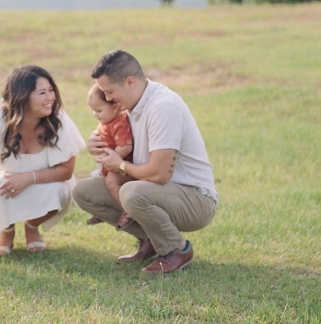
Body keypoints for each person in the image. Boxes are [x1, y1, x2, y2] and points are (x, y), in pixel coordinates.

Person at [73, 50, 218, 275]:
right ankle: (151, 239)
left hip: (195, 199)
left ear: (130, 82)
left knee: (132, 193)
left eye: (110, 92)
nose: (108, 99)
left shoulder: (163, 107)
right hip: (156, 190)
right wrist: (97, 145)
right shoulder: (129, 106)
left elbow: (160, 175)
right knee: (83, 191)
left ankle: (176, 249)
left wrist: (119, 166)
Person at [0, 65, 86, 256]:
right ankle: (6, 230)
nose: (50, 98)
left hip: (43, 180)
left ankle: (32, 226)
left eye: (51, 91)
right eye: (41, 93)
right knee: (1, 185)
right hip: (3, 180)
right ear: (22, 96)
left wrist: (28, 178)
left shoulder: (59, 120)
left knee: (62, 191)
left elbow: (66, 171)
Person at [85, 84, 133, 228]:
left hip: (123, 165)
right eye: (93, 110)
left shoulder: (120, 123)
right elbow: (99, 133)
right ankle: (104, 212)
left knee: (111, 183)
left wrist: (112, 158)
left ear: (114, 108)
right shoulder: (106, 121)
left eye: (99, 110)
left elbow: (126, 146)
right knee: (97, 186)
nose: (95, 114)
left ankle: (127, 210)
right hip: (109, 165)